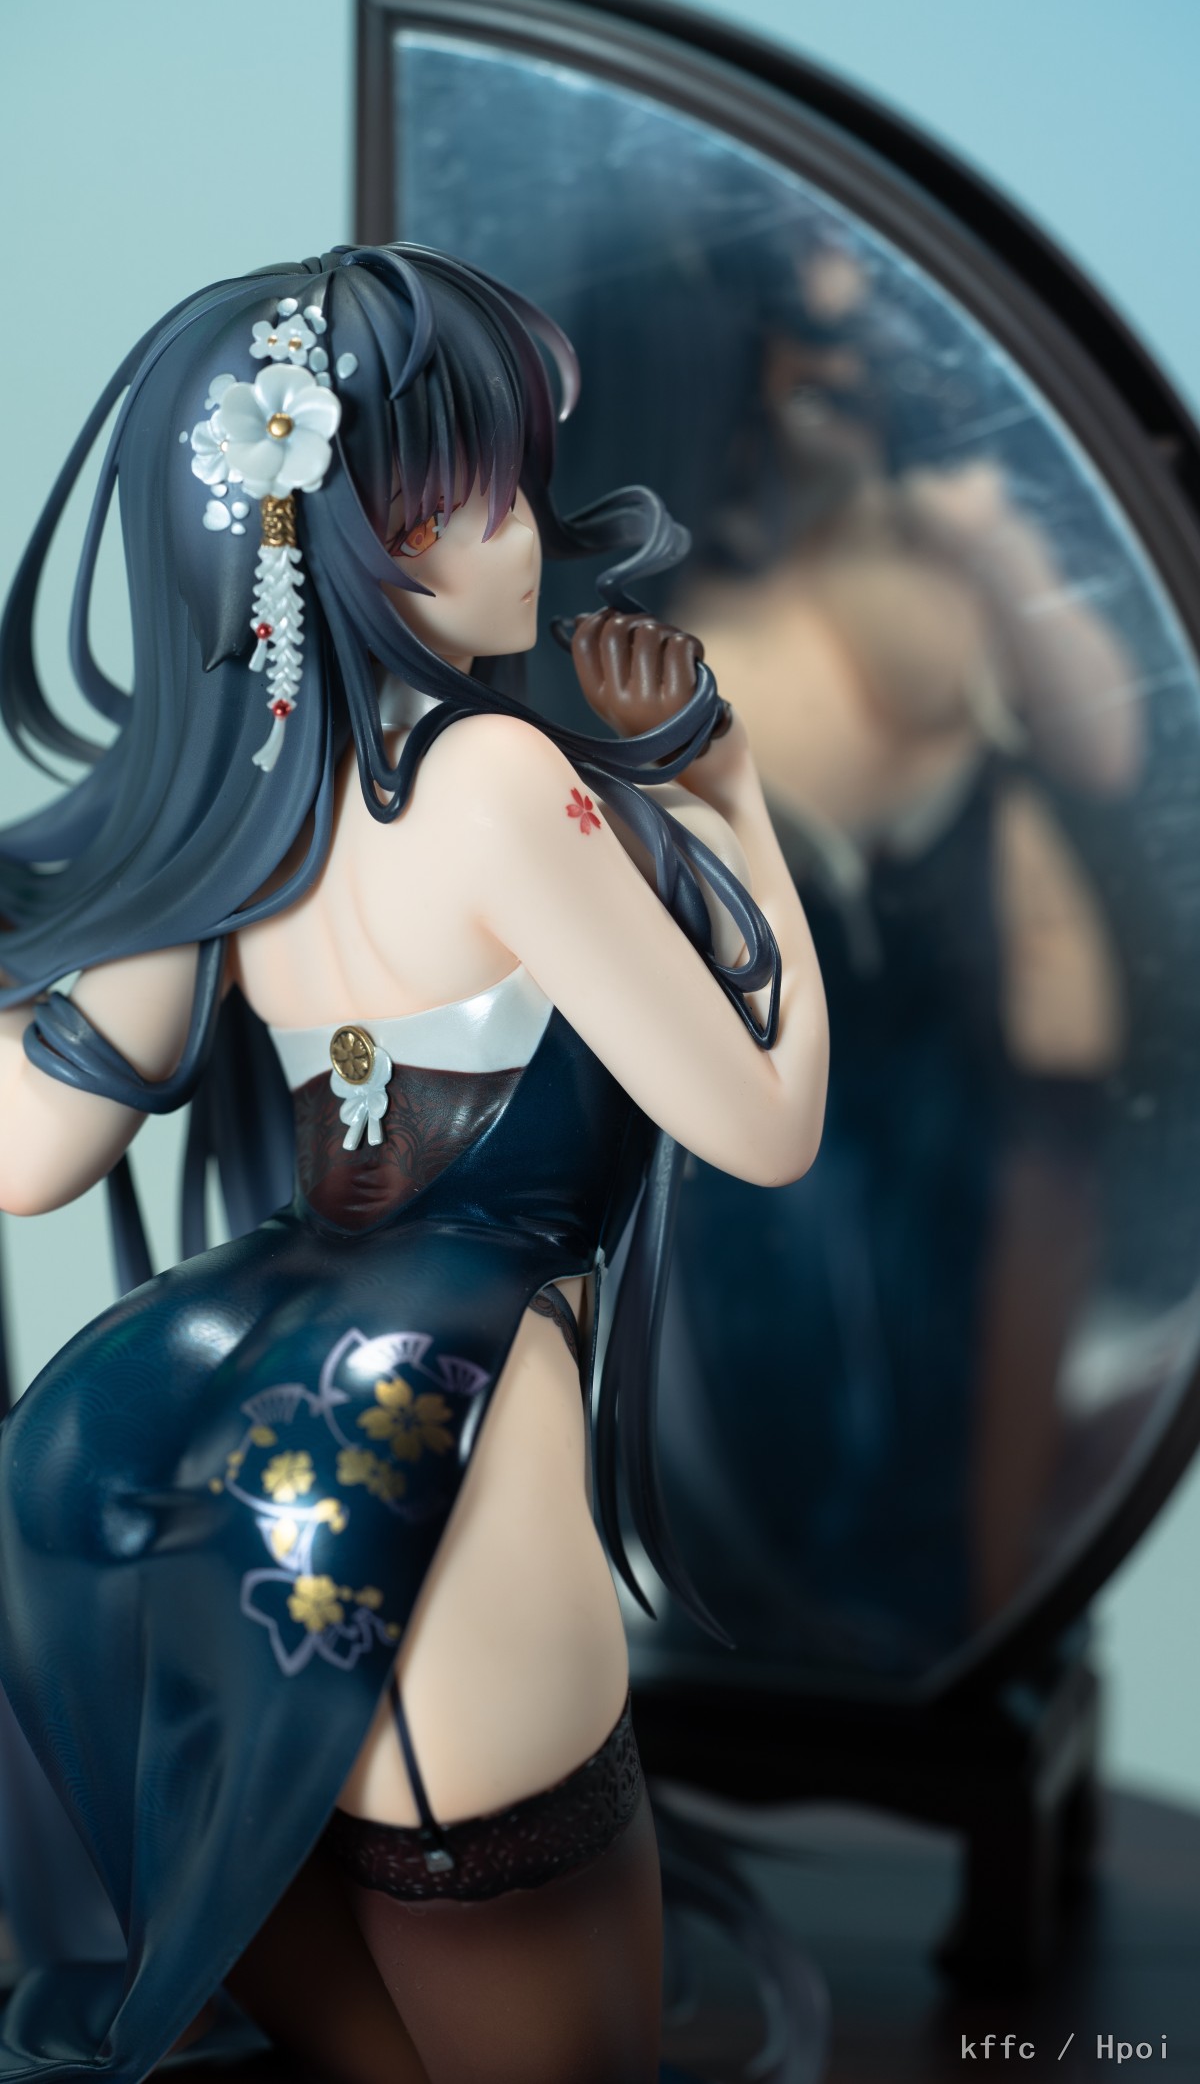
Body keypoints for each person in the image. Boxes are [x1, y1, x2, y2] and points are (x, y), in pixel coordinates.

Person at [0, 242, 828, 2083]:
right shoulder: (493, 781)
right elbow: (767, 1123)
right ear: (357, 534)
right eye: (486, 490)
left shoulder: (226, 811)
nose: (530, 534)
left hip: (169, 1458)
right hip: (438, 1466)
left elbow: (28, 1151)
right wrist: (735, 804)